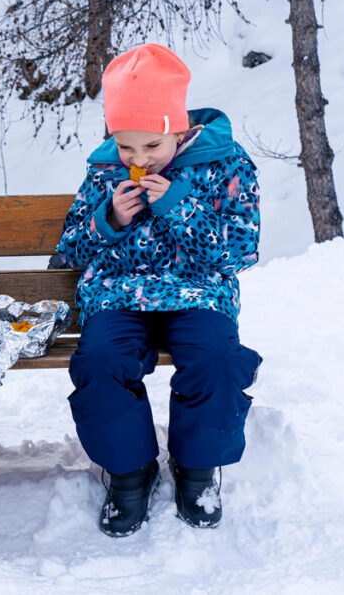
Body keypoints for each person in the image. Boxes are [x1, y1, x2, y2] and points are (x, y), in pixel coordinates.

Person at [53, 43, 262, 537]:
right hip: (119, 294)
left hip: (198, 292)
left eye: (152, 146)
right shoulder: (104, 170)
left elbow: (240, 251)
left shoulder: (226, 165)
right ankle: (129, 472)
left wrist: (181, 206)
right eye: (127, 146)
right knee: (101, 362)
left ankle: (197, 470)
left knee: (215, 360)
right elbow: (72, 249)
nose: (139, 159)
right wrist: (110, 220)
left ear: (180, 129)